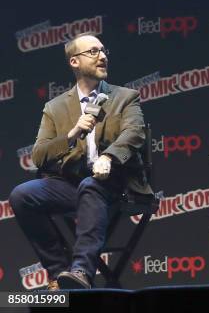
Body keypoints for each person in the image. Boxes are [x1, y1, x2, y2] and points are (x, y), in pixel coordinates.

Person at [9, 33, 150, 290]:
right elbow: (38, 156)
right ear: (74, 62)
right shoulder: (55, 107)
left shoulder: (125, 97)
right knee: (21, 195)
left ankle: (82, 272)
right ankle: (59, 272)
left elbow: (134, 134)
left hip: (114, 186)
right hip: (72, 185)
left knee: (91, 185)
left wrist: (108, 157)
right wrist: (72, 134)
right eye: (94, 52)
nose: (103, 56)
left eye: (104, 51)